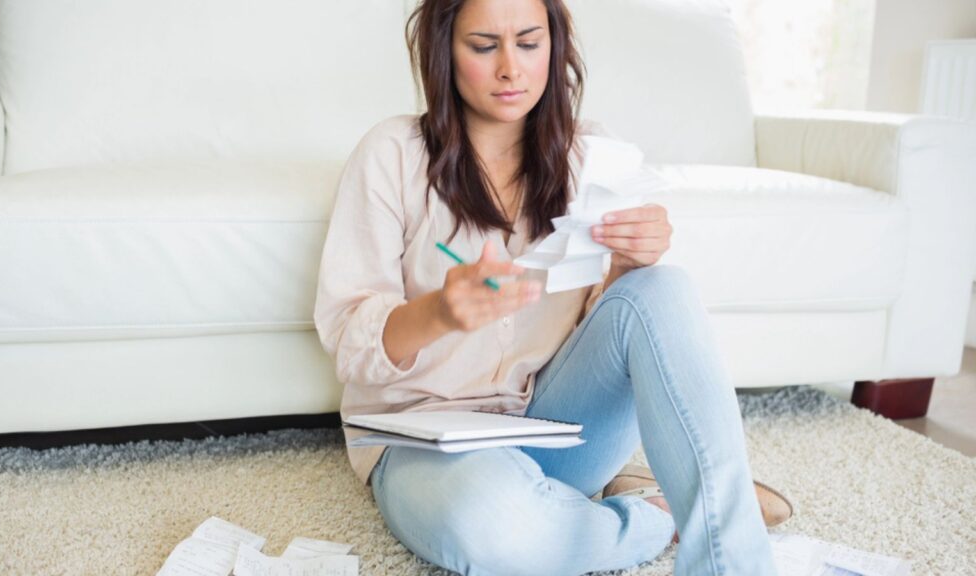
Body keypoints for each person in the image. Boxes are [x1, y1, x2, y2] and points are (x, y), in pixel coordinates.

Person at [314, 0, 791, 574]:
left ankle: (731, 561)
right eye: (484, 46)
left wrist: (630, 263)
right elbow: (349, 340)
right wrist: (441, 311)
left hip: (557, 426)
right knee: (499, 533)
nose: (510, 68)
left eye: (529, 43)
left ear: (555, 44)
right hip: (422, 444)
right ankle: (662, 513)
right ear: (443, 52)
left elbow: (618, 328)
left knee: (663, 287)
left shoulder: (592, 155)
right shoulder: (390, 155)